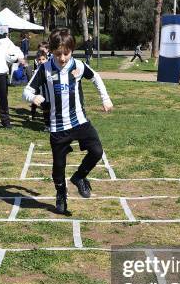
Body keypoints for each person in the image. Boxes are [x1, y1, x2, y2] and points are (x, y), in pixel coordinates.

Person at [23, 28, 113, 214]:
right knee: (58, 167)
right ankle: (61, 194)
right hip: (57, 127)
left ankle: (79, 177)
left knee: (97, 151)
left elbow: (95, 77)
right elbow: (27, 90)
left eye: (66, 53)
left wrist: (105, 98)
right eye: (58, 54)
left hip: (80, 121)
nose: (62, 58)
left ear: (72, 50)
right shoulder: (44, 68)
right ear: (51, 52)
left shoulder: (78, 66)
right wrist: (33, 98)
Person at [30, 49, 50, 131]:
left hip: (49, 93)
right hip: (40, 93)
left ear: (46, 59)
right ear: (36, 60)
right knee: (44, 108)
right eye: (39, 59)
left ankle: (52, 124)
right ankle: (47, 125)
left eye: (43, 59)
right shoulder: (36, 70)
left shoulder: (48, 69)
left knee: (51, 108)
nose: (41, 61)